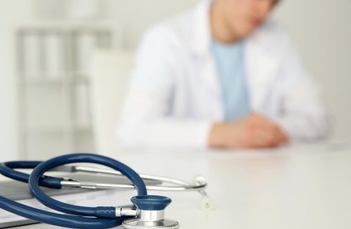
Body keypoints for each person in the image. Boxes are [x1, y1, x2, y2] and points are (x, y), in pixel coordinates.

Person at [116, 0, 330, 150]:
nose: (264, 9)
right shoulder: (166, 40)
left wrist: (272, 131)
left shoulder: (277, 38)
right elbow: (134, 130)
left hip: (263, 180)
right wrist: (217, 134)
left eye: (273, 2)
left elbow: (317, 118)